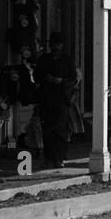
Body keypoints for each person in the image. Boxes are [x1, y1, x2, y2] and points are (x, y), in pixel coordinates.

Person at [36, 32, 79, 169]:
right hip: (46, 98)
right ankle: (49, 158)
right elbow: (36, 76)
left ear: (62, 45)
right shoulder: (43, 59)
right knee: (47, 129)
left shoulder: (67, 60)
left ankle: (60, 157)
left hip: (62, 99)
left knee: (61, 130)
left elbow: (73, 79)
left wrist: (61, 81)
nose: (55, 46)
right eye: (53, 44)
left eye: (58, 44)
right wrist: (46, 79)